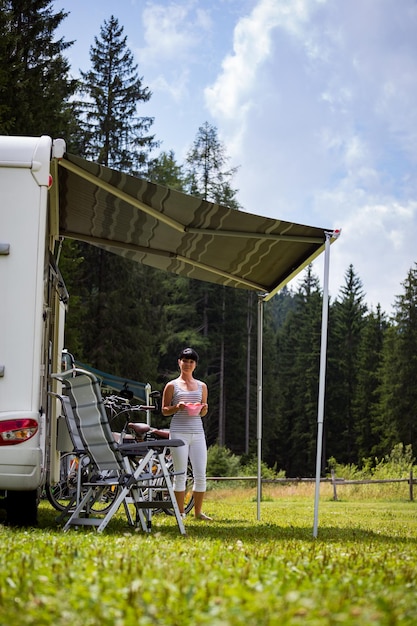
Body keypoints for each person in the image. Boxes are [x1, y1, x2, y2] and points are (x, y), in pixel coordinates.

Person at [162, 347, 212, 521]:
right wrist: (177, 407)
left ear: (195, 365)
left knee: (200, 473)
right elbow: (164, 410)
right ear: (179, 362)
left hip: (197, 432)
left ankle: (198, 513)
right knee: (180, 473)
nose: (187, 364)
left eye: (191, 362)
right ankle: (180, 512)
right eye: (184, 361)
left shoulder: (202, 386)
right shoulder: (172, 385)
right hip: (178, 432)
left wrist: (204, 409)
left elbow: (203, 412)